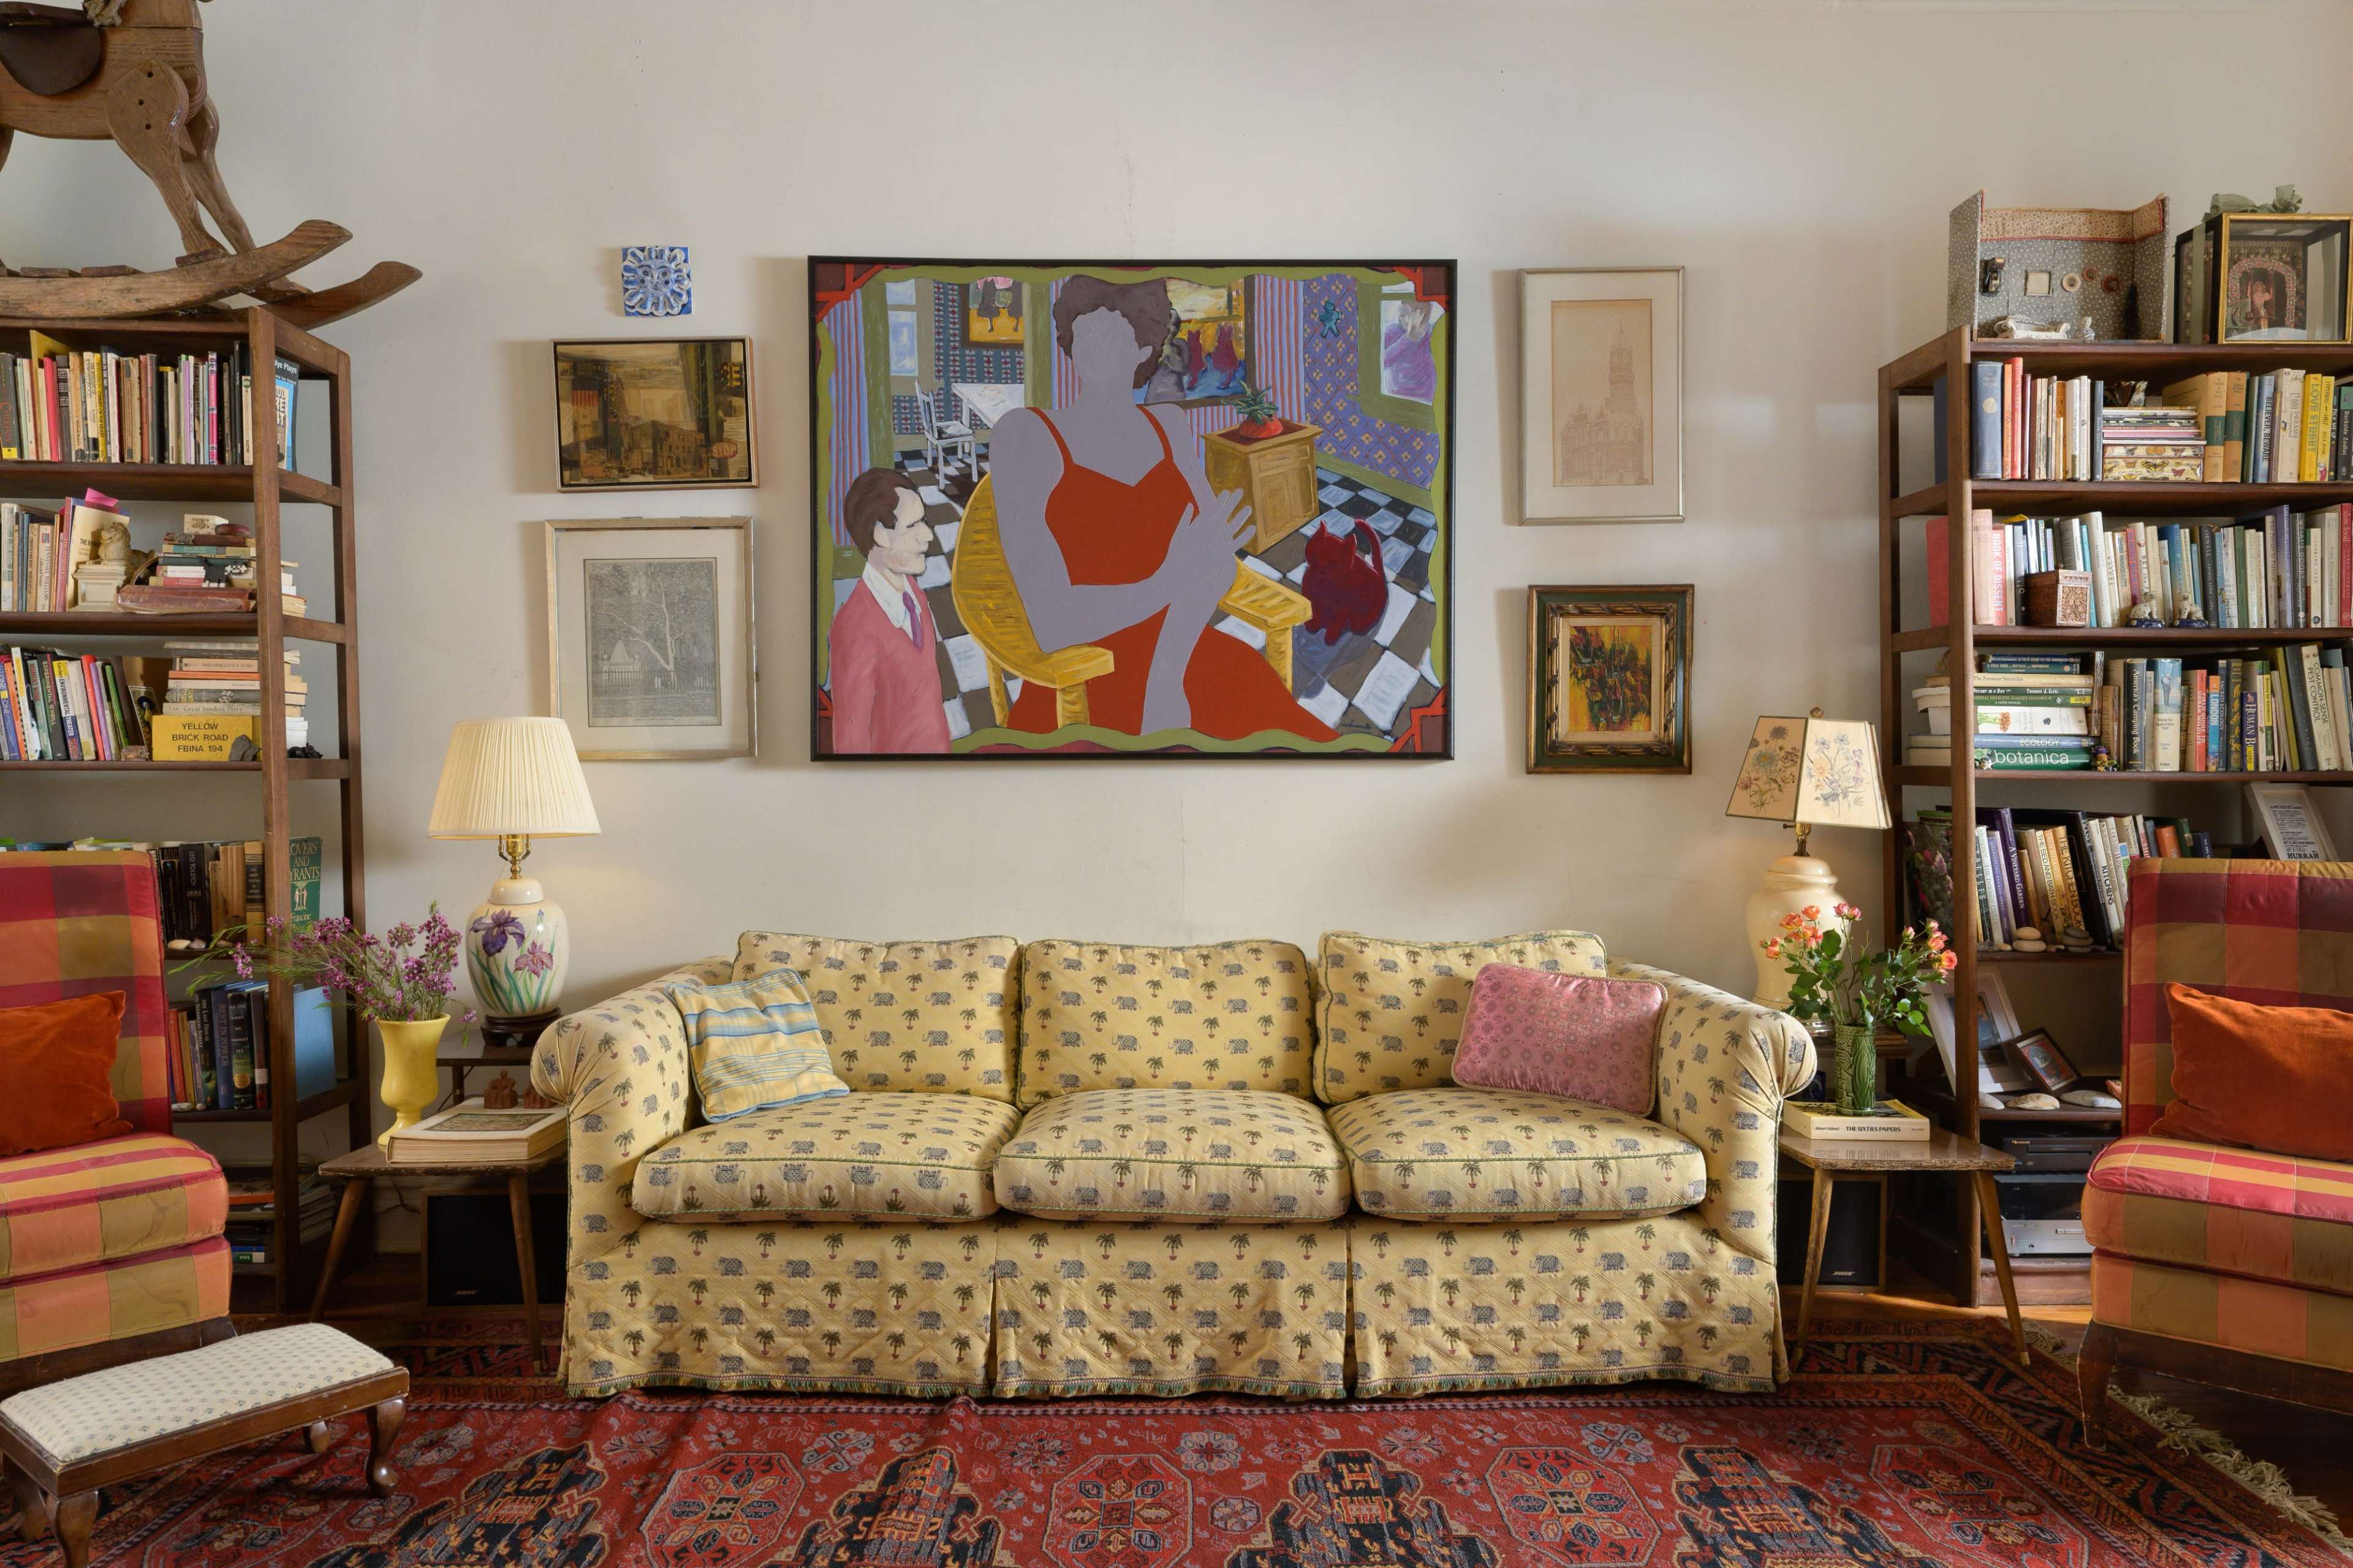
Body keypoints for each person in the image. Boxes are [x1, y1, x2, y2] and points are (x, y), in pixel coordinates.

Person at [986, 276, 1336, 743]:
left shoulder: (1168, 426)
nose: (1094, 349)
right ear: (1069, 340)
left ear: (1143, 350)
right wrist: (1169, 580)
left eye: (1114, 336)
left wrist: (1166, 677)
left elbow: (1216, 563)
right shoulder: (1025, 436)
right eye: (1085, 333)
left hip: (1185, 649)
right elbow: (1053, 625)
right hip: (1081, 679)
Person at [827, 468, 950, 753]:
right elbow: (851, 743)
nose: (928, 536)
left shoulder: (915, 595)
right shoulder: (854, 627)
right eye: (913, 526)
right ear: (880, 535)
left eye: (924, 522)